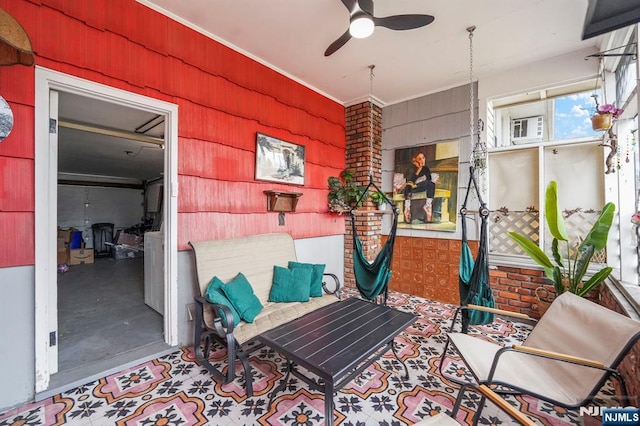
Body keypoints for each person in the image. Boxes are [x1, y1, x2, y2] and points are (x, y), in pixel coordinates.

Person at [399, 152, 436, 222]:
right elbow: (410, 181)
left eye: (423, 158)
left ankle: (428, 206)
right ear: (414, 160)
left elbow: (429, 180)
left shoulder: (426, 168)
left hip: (418, 187)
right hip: (409, 189)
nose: (422, 160)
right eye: (419, 159)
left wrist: (417, 185)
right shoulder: (410, 168)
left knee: (431, 184)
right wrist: (418, 169)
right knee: (409, 186)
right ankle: (407, 209)